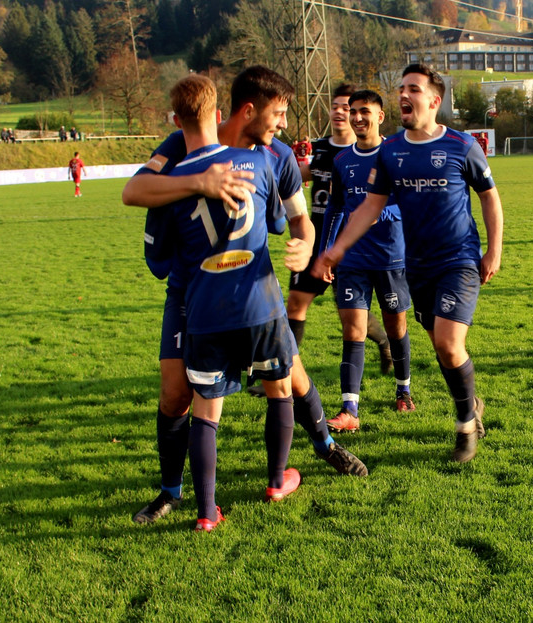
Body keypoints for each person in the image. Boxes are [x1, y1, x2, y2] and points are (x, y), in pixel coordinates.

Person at [122, 66, 367, 526]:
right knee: (175, 394)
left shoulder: (273, 156)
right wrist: (200, 182)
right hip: (190, 292)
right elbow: (134, 190)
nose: (282, 126)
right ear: (246, 111)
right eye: (277, 114)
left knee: (291, 375)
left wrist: (306, 243)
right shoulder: (181, 144)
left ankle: (325, 446)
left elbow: (299, 218)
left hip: (253, 288)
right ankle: (169, 492)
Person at [312, 63, 503, 463]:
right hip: (416, 267)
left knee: (450, 346)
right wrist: (337, 248)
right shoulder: (392, 151)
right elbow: (370, 206)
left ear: (434, 100)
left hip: (459, 261)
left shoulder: (461, 145)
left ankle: (465, 426)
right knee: (441, 346)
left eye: (413, 89)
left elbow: (489, 196)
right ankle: (471, 403)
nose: (404, 94)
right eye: (401, 88)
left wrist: (493, 250)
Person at [157, 73, 306, 532]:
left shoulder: (172, 178)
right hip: (260, 306)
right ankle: (278, 481)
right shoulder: (258, 163)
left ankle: (206, 512)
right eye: (277, 114)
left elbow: (158, 261)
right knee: (280, 389)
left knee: (206, 408)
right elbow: (283, 225)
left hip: (204, 312)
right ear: (220, 113)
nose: (280, 124)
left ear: (175, 119)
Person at [319, 89, 415, 433]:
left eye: (365, 112)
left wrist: (379, 211)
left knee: (395, 327)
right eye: (353, 111)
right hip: (353, 259)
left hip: (391, 257)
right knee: (353, 329)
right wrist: (327, 252)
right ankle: (349, 410)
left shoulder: (397, 155)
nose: (357, 117)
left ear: (380, 116)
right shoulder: (343, 160)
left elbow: (410, 201)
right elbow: (335, 208)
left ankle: (403, 389)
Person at [290, 84, 393, 370]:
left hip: (350, 242)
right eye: (336, 106)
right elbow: (305, 173)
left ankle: (384, 342)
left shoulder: (364, 152)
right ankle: (283, 371)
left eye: (347, 108)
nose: (340, 112)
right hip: (315, 238)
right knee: (296, 302)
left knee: (351, 317)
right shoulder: (322, 148)